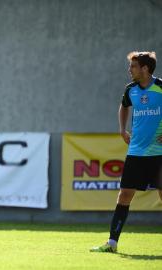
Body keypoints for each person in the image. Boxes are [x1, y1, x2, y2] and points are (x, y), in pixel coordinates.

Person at [91, 51, 162, 253]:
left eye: (133, 66)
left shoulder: (161, 87)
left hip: (159, 154)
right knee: (124, 195)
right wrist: (122, 129)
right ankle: (112, 243)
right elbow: (123, 107)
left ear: (145, 69)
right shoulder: (130, 90)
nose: (129, 70)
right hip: (136, 152)